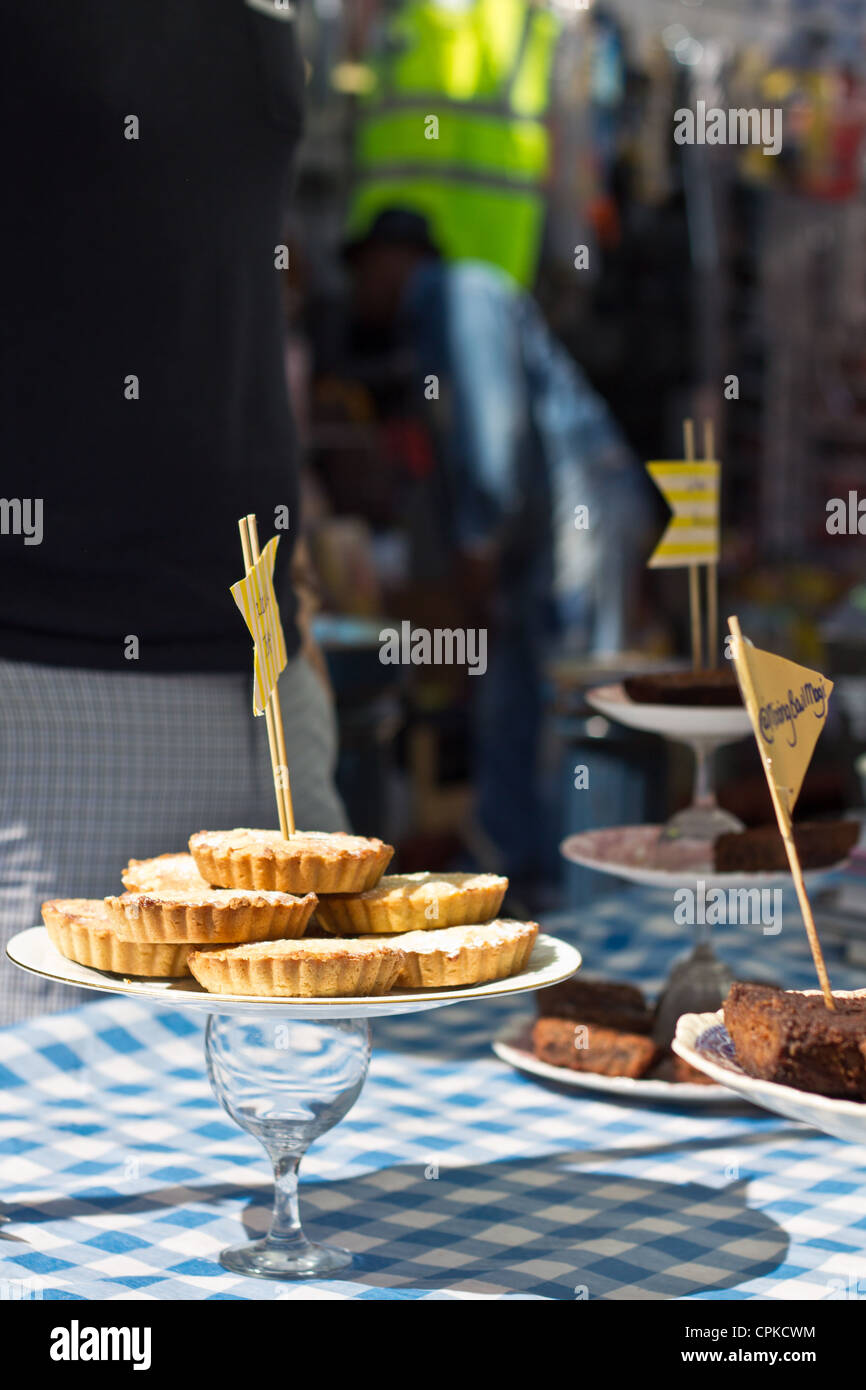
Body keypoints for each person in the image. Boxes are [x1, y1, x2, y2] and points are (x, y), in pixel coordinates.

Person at [0, 0, 346, 1025]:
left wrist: (299, 591)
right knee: (55, 1157)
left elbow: (202, 273)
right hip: (49, 694)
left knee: (290, 1141)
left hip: (261, 668)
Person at [345, 209, 650, 888]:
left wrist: (478, 543)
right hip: (541, 529)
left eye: (362, 270)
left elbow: (493, 429)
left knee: (576, 703)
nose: (358, 291)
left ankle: (584, 895)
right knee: (519, 693)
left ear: (393, 259)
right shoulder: (431, 323)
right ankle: (522, 874)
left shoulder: (462, 294)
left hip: (577, 515)